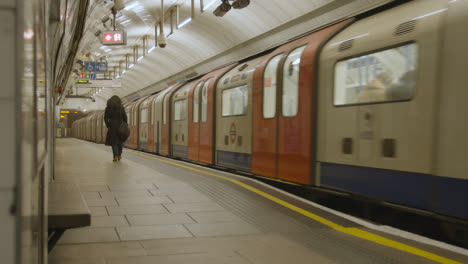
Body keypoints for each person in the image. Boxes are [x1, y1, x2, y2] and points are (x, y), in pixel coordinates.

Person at [104, 95, 128, 162]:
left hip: (112, 127)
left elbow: (105, 118)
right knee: (120, 142)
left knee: (114, 142)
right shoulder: (121, 108)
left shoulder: (108, 108)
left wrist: (108, 125)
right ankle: (119, 155)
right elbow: (125, 117)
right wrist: (125, 125)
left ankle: (115, 156)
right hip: (120, 126)